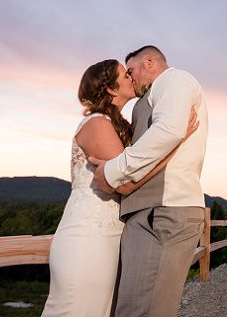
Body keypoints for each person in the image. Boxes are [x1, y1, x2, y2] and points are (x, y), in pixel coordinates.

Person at [41, 58, 198, 317]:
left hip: (109, 240)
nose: (131, 77)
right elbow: (125, 184)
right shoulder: (97, 124)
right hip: (87, 239)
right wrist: (175, 146)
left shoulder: (117, 126)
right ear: (112, 89)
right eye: (125, 75)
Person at [89, 45, 209, 317]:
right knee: (135, 308)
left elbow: (169, 130)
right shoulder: (150, 98)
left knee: (140, 312)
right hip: (149, 214)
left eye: (130, 71)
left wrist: (112, 171)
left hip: (163, 212)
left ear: (150, 62)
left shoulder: (175, 80)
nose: (130, 79)